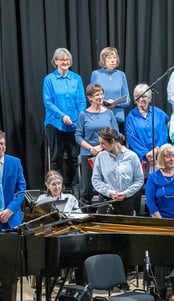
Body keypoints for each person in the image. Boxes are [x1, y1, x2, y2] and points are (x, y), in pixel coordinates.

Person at [43, 47, 86, 189]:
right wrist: (62, 117)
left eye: (67, 59)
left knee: (74, 157)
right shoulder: (49, 79)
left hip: (74, 123)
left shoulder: (76, 78)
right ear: (55, 61)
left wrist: (80, 117)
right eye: (62, 60)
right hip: (55, 124)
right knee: (56, 158)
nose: (65, 62)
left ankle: (74, 187)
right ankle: (57, 188)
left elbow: (81, 100)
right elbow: (47, 102)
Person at [0, 130, 27, 301]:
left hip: (11, 223)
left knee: (9, 273)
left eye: (2, 143)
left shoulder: (14, 162)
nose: (0, 147)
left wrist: (10, 210)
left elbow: (21, 189)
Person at [75, 83, 118, 209]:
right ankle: (85, 216)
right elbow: (78, 135)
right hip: (88, 154)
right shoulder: (83, 114)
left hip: (106, 154)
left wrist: (102, 147)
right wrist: (91, 148)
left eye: (101, 94)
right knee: (86, 188)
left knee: (106, 185)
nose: (100, 97)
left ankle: (103, 213)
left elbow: (116, 133)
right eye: (97, 94)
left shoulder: (109, 113)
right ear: (89, 97)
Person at [91, 127, 144, 215]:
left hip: (127, 202)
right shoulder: (101, 157)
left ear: (112, 141)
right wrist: (109, 192)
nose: (100, 146)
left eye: (103, 143)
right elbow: (96, 180)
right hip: (106, 201)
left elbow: (139, 180)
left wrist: (126, 193)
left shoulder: (132, 156)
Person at [125, 83, 170, 169]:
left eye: (144, 96)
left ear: (149, 98)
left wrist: (156, 150)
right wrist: (146, 154)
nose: (141, 99)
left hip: (160, 156)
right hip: (141, 159)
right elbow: (132, 138)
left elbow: (163, 133)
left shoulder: (159, 113)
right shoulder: (131, 117)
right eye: (138, 96)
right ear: (135, 98)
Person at [145, 144, 174, 220]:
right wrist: (162, 221)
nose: (172, 159)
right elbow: (150, 202)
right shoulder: (153, 177)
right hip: (160, 222)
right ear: (161, 159)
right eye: (168, 156)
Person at [90, 47, 130, 128]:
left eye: (114, 57)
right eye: (109, 58)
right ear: (103, 60)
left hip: (118, 119)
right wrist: (105, 103)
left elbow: (127, 100)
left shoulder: (121, 75)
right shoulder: (96, 74)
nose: (112, 60)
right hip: (100, 116)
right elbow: (91, 98)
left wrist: (115, 103)